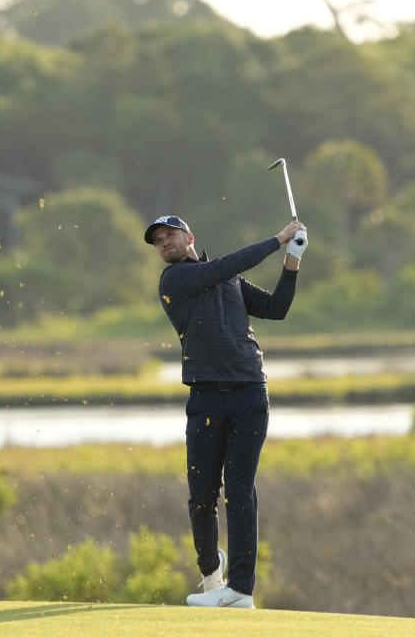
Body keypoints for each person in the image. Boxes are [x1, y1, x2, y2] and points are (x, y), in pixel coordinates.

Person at [143, 214, 307, 609]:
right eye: (158, 241)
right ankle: (209, 570)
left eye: (171, 235)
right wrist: (277, 238)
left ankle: (240, 591)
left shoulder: (225, 277)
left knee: (240, 492)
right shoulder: (174, 281)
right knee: (201, 496)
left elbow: (275, 308)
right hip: (206, 398)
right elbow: (226, 265)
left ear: (189, 236)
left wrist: (292, 260)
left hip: (250, 391)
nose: (164, 243)